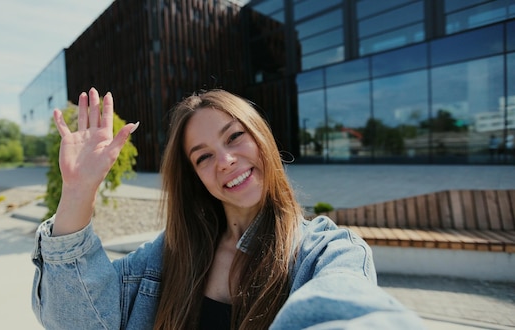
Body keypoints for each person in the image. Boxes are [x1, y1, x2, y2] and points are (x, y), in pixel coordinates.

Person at [31, 88, 425, 329]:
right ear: (196, 178)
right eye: (203, 157)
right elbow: (77, 320)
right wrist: (78, 191)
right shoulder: (164, 258)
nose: (225, 160)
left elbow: (344, 308)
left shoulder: (327, 252)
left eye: (235, 137)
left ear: (261, 137)